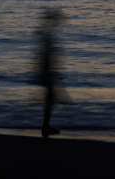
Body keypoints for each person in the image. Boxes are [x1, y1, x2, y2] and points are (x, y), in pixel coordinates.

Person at [36, 9, 65, 137]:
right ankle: (45, 126)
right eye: (57, 19)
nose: (59, 21)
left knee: (49, 100)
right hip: (47, 72)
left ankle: (46, 125)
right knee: (49, 100)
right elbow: (47, 56)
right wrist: (50, 73)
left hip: (46, 72)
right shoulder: (48, 34)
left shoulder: (46, 33)